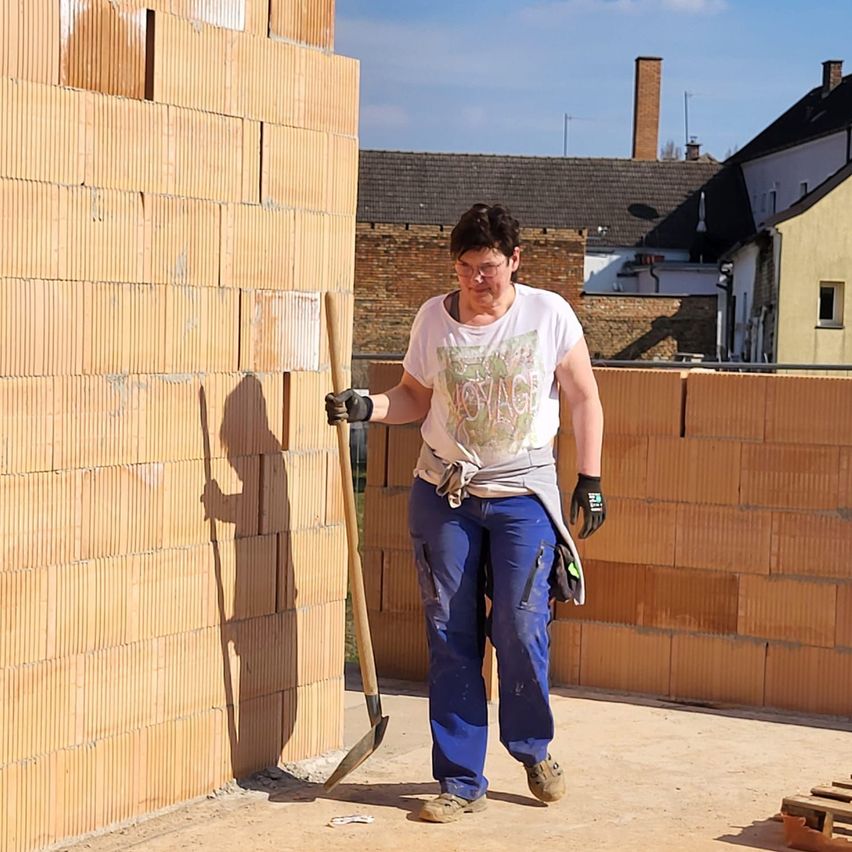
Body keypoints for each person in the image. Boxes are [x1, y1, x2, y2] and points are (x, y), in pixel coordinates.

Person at [326, 203, 606, 824]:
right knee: (450, 635)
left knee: (520, 624)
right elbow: (413, 397)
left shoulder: (549, 315)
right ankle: (459, 779)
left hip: (522, 496)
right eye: (466, 269)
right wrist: (365, 406)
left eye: (490, 269)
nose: (478, 282)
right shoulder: (434, 319)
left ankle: (533, 748)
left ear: (515, 263)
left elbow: (584, 397)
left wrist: (589, 477)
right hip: (444, 491)